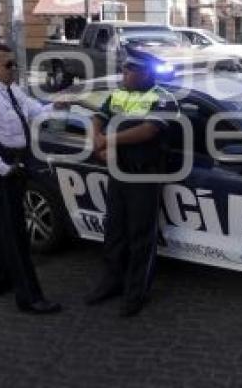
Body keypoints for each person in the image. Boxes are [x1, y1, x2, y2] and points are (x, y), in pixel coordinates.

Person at [0, 44, 70, 314]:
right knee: (17, 236)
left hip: (14, 165)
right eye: (7, 65)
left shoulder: (11, 91)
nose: (13, 69)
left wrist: (55, 106)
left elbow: (35, 111)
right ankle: (30, 298)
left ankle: (0, 282)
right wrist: (3, 169)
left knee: (4, 228)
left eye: (14, 64)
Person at [84, 56, 174, 317]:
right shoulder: (118, 94)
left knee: (140, 238)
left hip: (144, 177)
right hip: (117, 173)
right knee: (114, 232)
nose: (124, 73)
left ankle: (136, 293)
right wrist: (96, 142)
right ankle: (111, 282)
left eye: (130, 69)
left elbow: (148, 131)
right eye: (124, 68)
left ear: (146, 73)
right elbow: (97, 118)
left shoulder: (164, 98)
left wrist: (108, 141)